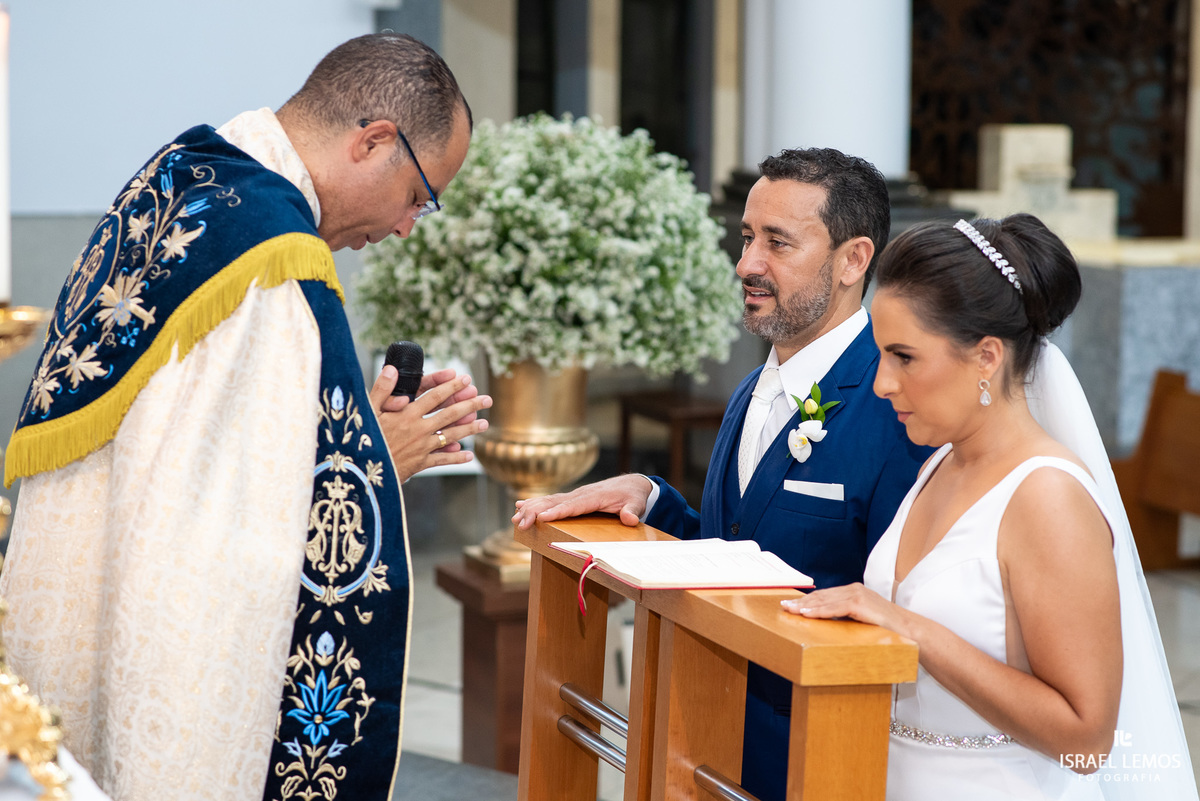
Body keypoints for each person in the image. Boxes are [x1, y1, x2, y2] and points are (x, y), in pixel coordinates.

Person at [0, 34, 491, 801]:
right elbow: (224, 544)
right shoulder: (274, 263)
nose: (407, 226)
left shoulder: (184, 173)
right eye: (419, 194)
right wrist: (369, 468)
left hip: (69, 634)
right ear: (373, 141)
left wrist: (348, 434)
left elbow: (187, 454)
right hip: (168, 685)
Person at [513, 147, 932, 801]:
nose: (746, 264)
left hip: (813, 761)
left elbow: (902, 615)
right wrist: (652, 500)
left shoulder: (896, 409)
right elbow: (740, 551)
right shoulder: (749, 391)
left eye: (777, 243)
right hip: (704, 747)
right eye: (746, 238)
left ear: (853, 260)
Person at [784, 214, 1198, 800]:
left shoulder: (1048, 497)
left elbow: (1087, 739)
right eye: (880, 355)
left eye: (904, 357)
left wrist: (912, 629)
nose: (882, 383)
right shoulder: (936, 466)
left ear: (986, 357)